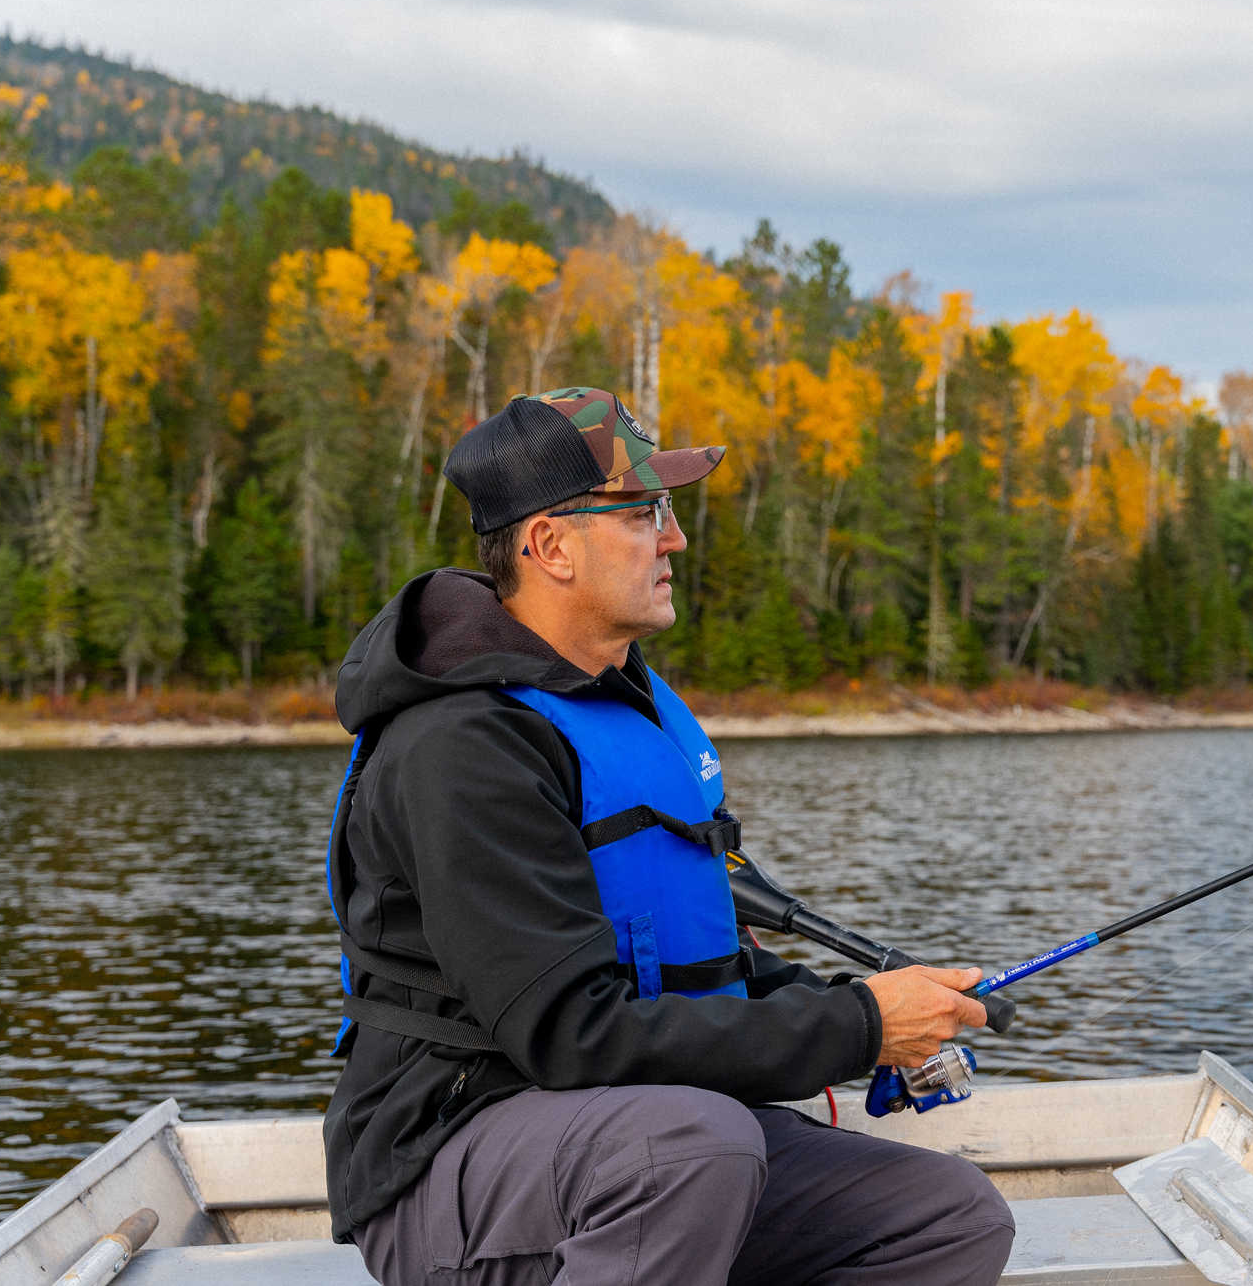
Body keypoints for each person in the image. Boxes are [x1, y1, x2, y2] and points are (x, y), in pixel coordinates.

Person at [322, 387, 1015, 1286]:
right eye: (644, 512)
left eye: (670, 509)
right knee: (697, 1146)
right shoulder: (464, 745)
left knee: (948, 1217)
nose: (675, 538)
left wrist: (880, 1002)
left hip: (631, 1138)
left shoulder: (621, 707)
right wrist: (857, 1027)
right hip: (447, 1164)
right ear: (549, 547)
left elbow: (693, 960)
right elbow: (572, 1031)